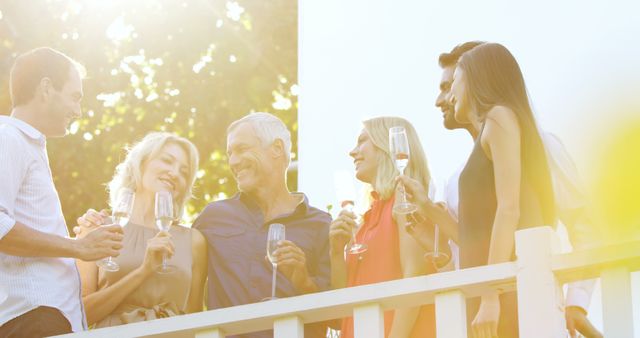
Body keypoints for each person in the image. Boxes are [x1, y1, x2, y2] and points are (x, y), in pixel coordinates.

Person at [400, 41, 602, 338]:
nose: (444, 97)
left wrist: (577, 303)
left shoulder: (520, 131)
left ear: (476, 76)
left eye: (452, 83)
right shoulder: (460, 174)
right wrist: (429, 210)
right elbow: (475, 240)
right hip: (482, 299)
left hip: (512, 294)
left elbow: (512, 212)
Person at [0, 47, 124, 336]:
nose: (78, 111)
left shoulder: (26, 146)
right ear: (46, 88)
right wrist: (78, 247)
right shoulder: (7, 139)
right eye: (75, 96)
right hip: (33, 319)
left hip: (44, 319)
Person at [193, 112, 331, 338]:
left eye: (241, 149)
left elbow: (337, 319)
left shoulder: (320, 224)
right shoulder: (212, 217)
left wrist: (304, 281)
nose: (233, 161)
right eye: (230, 153)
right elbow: (178, 278)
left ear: (277, 149)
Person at [74, 132, 207, 327]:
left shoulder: (194, 241)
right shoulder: (96, 227)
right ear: (141, 163)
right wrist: (144, 271)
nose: (175, 173)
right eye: (167, 161)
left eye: (184, 172)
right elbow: (79, 315)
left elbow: (196, 320)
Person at [330, 116, 436, 338]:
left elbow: (414, 274)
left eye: (362, 141)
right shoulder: (366, 219)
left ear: (386, 146)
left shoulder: (405, 197)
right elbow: (343, 306)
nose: (352, 151)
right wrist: (336, 252)